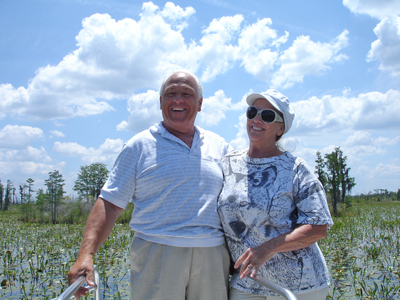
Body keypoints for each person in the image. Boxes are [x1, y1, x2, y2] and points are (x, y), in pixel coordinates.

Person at [68, 70, 233, 300]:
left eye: (186, 93)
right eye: (170, 93)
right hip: (157, 252)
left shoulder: (220, 145)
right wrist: (86, 254)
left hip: (213, 254)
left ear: (200, 103)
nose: (178, 99)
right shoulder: (139, 145)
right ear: (160, 102)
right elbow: (110, 203)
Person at [217, 89, 333, 300]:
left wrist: (268, 248)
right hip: (246, 282)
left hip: (300, 286)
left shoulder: (296, 168)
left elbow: (318, 227)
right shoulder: (228, 162)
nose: (256, 119)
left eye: (267, 116)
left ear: (281, 128)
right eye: (252, 112)